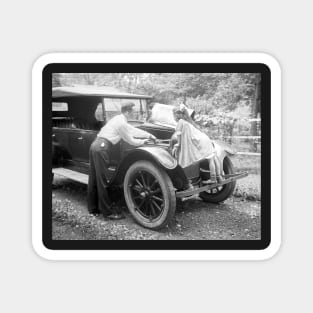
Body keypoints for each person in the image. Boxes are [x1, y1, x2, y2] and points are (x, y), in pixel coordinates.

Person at [88, 101, 156, 219]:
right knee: (103, 181)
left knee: (94, 179)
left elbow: (132, 130)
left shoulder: (119, 119)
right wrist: (143, 142)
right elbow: (131, 140)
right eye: (133, 112)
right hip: (102, 148)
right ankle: (108, 213)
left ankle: (93, 209)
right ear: (128, 112)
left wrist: (148, 135)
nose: (134, 114)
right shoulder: (121, 123)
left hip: (96, 145)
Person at [172, 105, 224, 185]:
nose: (174, 117)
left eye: (174, 115)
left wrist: (178, 144)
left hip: (201, 141)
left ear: (176, 115)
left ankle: (213, 179)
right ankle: (219, 177)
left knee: (210, 160)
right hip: (205, 138)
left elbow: (179, 134)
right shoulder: (188, 121)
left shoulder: (180, 122)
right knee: (213, 158)